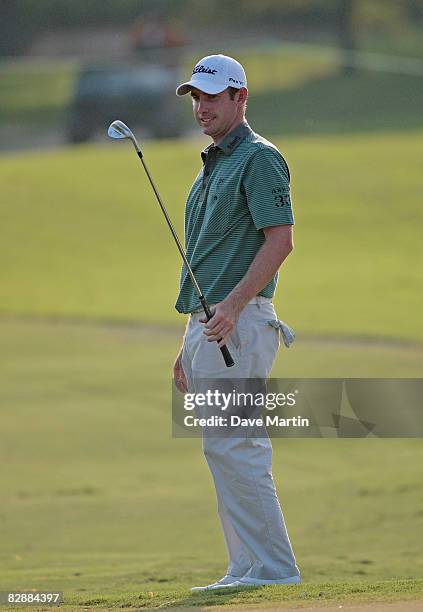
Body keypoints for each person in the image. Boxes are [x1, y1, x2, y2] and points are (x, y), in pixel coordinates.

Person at [173, 54, 300, 590]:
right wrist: (187, 343)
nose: (201, 107)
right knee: (220, 448)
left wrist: (233, 305)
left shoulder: (258, 158)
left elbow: (281, 239)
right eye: (196, 98)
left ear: (240, 97)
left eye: (212, 97)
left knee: (235, 444)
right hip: (211, 326)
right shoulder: (214, 164)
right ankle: (245, 567)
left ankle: (273, 570)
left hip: (239, 322)